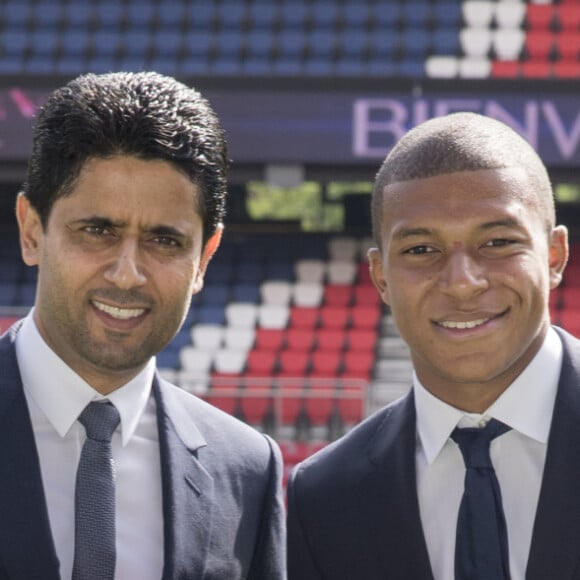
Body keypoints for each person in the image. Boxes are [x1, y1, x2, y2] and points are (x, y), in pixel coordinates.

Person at [0, 71, 285, 580]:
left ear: (204, 258)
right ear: (31, 231)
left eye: (165, 241)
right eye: (97, 230)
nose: (127, 274)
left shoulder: (246, 469)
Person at [286, 112, 580, 579]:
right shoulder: (323, 496)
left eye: (498, 241)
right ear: (381, 276)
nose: (462, 283)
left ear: (554, 256)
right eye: (421, 250)